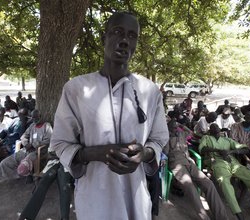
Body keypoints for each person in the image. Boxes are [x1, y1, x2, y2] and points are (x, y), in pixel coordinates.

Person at [50, 12, 169, 220]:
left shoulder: (150, 91)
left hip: (136, 198)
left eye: (132, 36)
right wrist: (97, 153)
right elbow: (60, 144)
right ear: (103, 38)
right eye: (117, 32)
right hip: (94, 198)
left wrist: (145, 153)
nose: (124, 41)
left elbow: (159, 140)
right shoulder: (76, 89)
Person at [199, 123, 250, 220]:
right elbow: (202, 149)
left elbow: (246, 149)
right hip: (218, 163)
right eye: (213, 128)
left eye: (217, 127)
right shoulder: (206, 138)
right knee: (225, 183)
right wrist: (218, 150)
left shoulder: (227, 140)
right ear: (210, 131)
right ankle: (238, 213)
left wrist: (232, 151)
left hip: (234, 163)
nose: (216, 129)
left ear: (220, 130)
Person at [165, 119, 228, 220]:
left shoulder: (181, 134)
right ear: (167, 129)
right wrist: (168, 137)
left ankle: (222, 217)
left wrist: (181, 125)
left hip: (189, 161)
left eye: (176, 127)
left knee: (209, 184)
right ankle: (204, 218)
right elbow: (165, 153)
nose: (175, 129)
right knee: (191, 189)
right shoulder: (165, 137)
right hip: (176, 163)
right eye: (172, 128)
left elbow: (191, 133)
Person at [0, 109, 52, 178]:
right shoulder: (32, 126)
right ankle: (18, 175)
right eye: (33, 117)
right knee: (5, 162)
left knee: (25, 164)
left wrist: (33, 145)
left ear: (40, 116)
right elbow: (23, 136)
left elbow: (48, 140)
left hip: (38, 151)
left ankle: (26, 173)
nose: (34, 119)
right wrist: (26, 144)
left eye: (36, 117)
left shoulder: (46, 126)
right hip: (27, 149)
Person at [18, 155, 73, 220]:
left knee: (64, 187)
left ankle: (65, 218)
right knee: (43, 183)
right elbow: (51, 151)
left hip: (68, 162)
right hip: (55, 162)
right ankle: (27, 217)